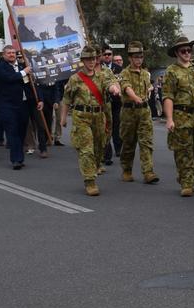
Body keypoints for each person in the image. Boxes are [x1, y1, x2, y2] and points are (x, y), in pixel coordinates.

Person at [61, 46, 121, 195]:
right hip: (81, 117)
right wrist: (63, 118)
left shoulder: (102, 76)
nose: (91, 62)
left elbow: (110, 84)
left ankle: (94, 167)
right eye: (88, 59)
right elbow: (66, 99)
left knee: (99, 148)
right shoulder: (75, 79)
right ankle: (90, 182)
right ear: (83, 61)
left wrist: (114, 88)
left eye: (93, 59)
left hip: (99, 116)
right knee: (86, 149)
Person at [163, 36, 194, 196]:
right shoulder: (171, 72)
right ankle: (187, 183)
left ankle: (184, 172)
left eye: (189, 50)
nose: (187, 53)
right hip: (181, 115)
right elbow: (168, 96)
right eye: (183, 51)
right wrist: (169, 119)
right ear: (177, 53)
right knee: (184, 151)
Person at [118, 42, 157, 184]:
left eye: (141, 57)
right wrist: (135, 98)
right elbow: (126, 87)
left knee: (146, 142)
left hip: (144, 112)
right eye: (136, 57)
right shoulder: (124, 73)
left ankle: (148, 172)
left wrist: (150, 90)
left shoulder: (146, 73)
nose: (139, 60)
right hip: (129, 111)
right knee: (129, 143)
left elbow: (149, 86)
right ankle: (127, 170)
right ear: (130, 58)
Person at [0, 46, 32, 170]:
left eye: (13, 53)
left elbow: (27, 84)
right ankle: (16, 160)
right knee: (12, 131)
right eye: (8, 53)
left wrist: (38, 99)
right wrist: (25, 72)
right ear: (3, 55)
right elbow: (9, 78)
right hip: (7, 105)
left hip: (23, 104)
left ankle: (19, 157)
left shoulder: (20, 67)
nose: (11, 55)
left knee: (21, 132)